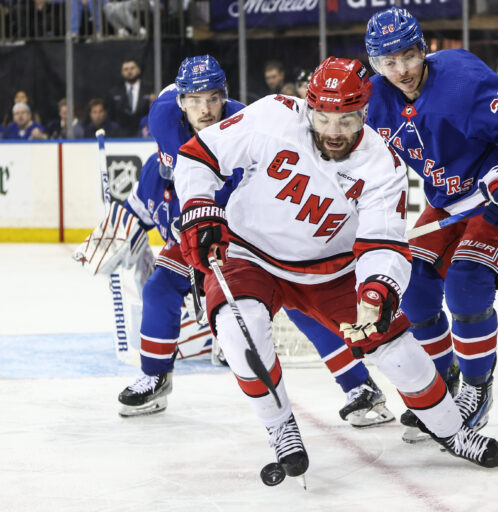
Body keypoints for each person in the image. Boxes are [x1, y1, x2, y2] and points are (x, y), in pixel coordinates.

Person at [173, 56, 498, 475]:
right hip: (248, 254)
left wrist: (377, 289)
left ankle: (453, 431)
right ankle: (281, 428)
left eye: (346, 121)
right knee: (240, 335)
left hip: (332, 272)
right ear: (306, 106)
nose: (333, 132)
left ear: (364, 113)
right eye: (323, 118)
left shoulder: (381, 164)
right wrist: (200, 208)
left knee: (401, 354)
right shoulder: (273, 115)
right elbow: (197, 156)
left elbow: (382, 241)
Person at [76, 55, 393, 426]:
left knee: (298, 303)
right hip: (194, 229)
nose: (205, 109)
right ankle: (154, 376)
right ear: (180, 102)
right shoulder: (162, 129)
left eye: (212, 98)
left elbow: (253, 194)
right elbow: (136, 209)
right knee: (160, 286)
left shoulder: (244, 122)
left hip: (244, 229)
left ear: (224, 96)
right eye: (194, 100)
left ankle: (359, 385)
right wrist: (115, 231)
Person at [364, 7, 498, 441]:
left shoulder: (463, 78)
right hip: (447, 201)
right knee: (415, 290)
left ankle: (476, 388)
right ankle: (443, 381)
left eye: (408, 55)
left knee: (465, 286)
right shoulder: (374, 98)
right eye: (388, 62)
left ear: (423, 49)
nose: (402, 69)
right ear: (375, 64)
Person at [108, 58, 153, 137]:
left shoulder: (150, 90)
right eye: (126, 69)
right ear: (122, 72)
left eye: (132, 68)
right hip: (120, 137)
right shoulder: (114, 93)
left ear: (139, 70)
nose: (129, 71)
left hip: (145, 136)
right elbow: (111, 116)